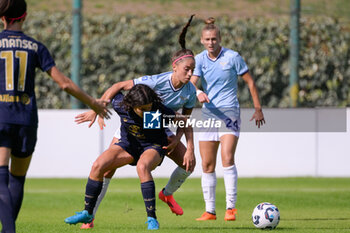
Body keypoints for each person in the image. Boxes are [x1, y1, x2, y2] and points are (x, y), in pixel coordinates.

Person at [74, 15, 197, 229]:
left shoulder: (190, 92)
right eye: (187, 69)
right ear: (174, 67)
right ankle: (90, 215)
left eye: (193, 69)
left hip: (157, 123)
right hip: (135, 123)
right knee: (105, 169)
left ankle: (166, 194)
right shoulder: (155, 81)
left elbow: (185, 120)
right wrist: (97, 107)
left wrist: (180, 142)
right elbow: (119, 85)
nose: (190, 73)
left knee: (189, 163)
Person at [0, 1, 110, 232]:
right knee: (17, 178)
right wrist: (94, 103)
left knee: (1, 178)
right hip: (26, 119)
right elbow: (64, 84)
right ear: (25, 16)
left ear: (2, 18)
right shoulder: (35, 47)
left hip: (1, 116)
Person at [65, 84, 192, 230]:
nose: (147, 112)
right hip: (128, 146)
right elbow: (114, 90)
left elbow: (186, 122)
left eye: (149, 107)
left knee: (142, 167)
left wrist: (187, 147)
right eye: (142, 109)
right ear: (131, 105)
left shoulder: (158, 110)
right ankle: (87, 213)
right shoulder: (120, 104)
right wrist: (96, 109)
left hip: (153, 146)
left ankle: (152, 219)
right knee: (97, 165)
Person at [190, 17, 265, 221]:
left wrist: (258, 108)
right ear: (202, 40)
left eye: (214, 38)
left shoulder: (232, 57)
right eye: (207, 39)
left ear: (220, 39)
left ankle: (230, 208)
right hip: (208, 114)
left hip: (229, 112)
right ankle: (210, 211)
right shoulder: (199, 60)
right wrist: (197, 92)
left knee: (227, 158)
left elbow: (250, 82)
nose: (211, 42)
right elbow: (191, 83)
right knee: (206, 165)